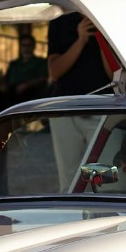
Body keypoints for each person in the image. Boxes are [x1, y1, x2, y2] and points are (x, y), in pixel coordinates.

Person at [47, 13, 113, 189]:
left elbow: (113, 74)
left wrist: (101, 37)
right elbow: (55, 72)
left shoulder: (108, 16)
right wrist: (81, 39)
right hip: (66, 109)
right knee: (70, 180)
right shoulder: (59, 20)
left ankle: (104, 215)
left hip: (101, 108)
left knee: (103, 180)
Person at [0, 34, 48, 125]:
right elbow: (6, 79)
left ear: (33, 46)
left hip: (29, 91)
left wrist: (27, 84)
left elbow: (43, 78)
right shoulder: (14, 64)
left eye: (29, 45)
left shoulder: (39, 62)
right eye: (23, 45)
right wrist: (2, 84)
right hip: (12, 90)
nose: (26, 48)